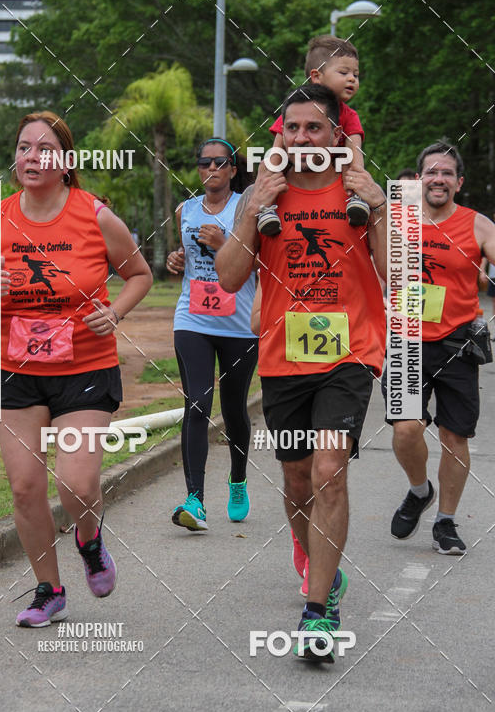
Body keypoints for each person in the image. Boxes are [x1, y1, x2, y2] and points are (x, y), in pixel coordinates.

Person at [0, 111, 152, 626]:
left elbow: (138, 273)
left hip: (84, 369)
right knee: (25, 487)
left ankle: (89, 540)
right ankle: (49, 591)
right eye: (24, 147)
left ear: (67, 162)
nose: (32, 157)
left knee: (76, 483)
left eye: (45, 148)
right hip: (16, 369)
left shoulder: (95, 215)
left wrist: (115, 311)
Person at [216, 85, 387, 662]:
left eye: (314, 129)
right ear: (280, 134)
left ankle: (318, 616)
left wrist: (381, 209)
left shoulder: (361, 193)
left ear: (338, 137)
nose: (302, 139)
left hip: (350, 354)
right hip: (284, 358)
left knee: (329, 471)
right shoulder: (266, 197)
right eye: (292, 129)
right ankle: (316, 559)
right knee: (295, 483)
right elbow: (230, 277)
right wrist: (250, 204)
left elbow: (396, 276)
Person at [383, 141, 495, 554]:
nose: (438, 179)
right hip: (408, 340)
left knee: (455, 436)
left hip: (457, 344)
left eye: (447, 173)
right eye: (431, 171)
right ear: (418, 179)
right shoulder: (398, 218)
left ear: (459, 183)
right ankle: (418, 490)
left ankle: (445, 523)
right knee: (406, 429)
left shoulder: (477, 225)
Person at [166, 138, 258, 531]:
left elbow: (264, 266)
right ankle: (195, 500)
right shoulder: (183, 209)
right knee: (198, 404)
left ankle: (237, 478)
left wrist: (227, 246)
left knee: (235, 409)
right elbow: (184, 257)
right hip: (193, 321)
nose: (211, 169)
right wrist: (176, 259)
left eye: (221, 162)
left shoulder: (249, 209)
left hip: (238, 325)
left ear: (234, 170)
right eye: (204, 163)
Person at [257, 35, 367, 235]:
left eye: (356, 75)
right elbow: (277, 150)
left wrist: (357, 177)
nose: (352, 78)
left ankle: (356, 200)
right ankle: (265, 209)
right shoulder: (297, 107)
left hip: (333, 172)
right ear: (317, 76)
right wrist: (268, 177)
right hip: (295, 168)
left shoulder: (349, 115)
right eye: (344, 72)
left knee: (353, 163)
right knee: (268, 164)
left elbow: (355, 150)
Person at [251, 281, 308, 595]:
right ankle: (303, 538)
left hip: (338, 371)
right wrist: (297, 311)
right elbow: (257, 322)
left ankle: (321, 566)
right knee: (298, 475)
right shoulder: (280, 264)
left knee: (328, 470)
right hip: (286, 375)